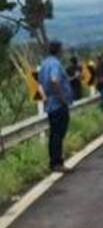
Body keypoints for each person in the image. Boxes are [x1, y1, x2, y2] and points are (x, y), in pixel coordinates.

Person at [37, 41, 74, 173]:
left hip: (51, 104)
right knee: (59, 133)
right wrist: (62, 98)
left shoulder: (44, 63)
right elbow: (54, 80)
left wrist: (45, 97)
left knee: (54, 134)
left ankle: (54, 161)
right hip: (58, 104)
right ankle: (57, 162)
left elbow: (39, 83)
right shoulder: (55, 64)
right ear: (59, 50)